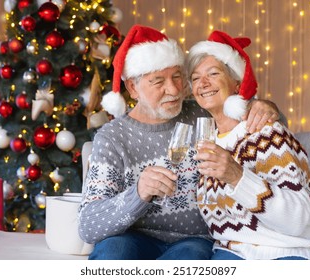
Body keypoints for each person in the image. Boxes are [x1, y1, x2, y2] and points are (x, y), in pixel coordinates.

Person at [78, 24, 280, 260]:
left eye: (177, 77)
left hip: (195, 239)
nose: (173, 90)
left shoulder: (203, 112)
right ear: (133, 87)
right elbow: (88, 226)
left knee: (188, 258)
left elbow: (270, 125)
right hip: (132, 238)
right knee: (113, 253)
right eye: (158, 82)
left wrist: (265, 106)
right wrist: (138, 193)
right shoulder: (112, 138)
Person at [186, 30, 310, 260]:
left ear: (236, 82)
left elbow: (295, 219)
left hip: (293, 249)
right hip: (234, 251)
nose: (203, 83)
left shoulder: (267, 132)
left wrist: (236, 175)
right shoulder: (206, 139)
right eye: (195, 78)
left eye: (213, 73)